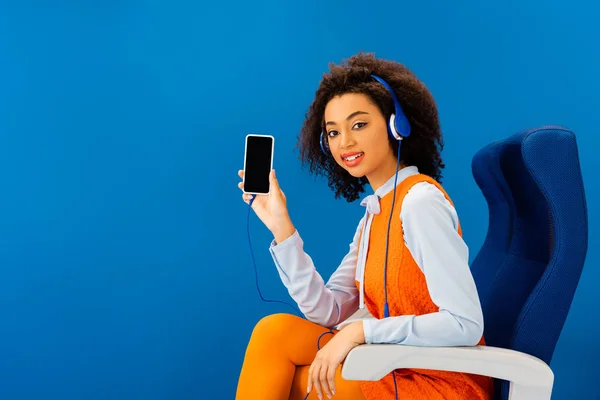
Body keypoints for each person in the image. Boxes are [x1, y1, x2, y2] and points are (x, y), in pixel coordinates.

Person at [235, 52, 493, 400]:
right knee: (273, 332)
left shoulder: (419, 203)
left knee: (299, 386)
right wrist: (281, 227)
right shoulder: (374, 213)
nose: (345, 142)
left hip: (439, 381)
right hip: (394, 362)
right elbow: (328, 310)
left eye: (359, 125)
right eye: (333, 132)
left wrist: (360, 332)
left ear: (395, 126)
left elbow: (465, 324)